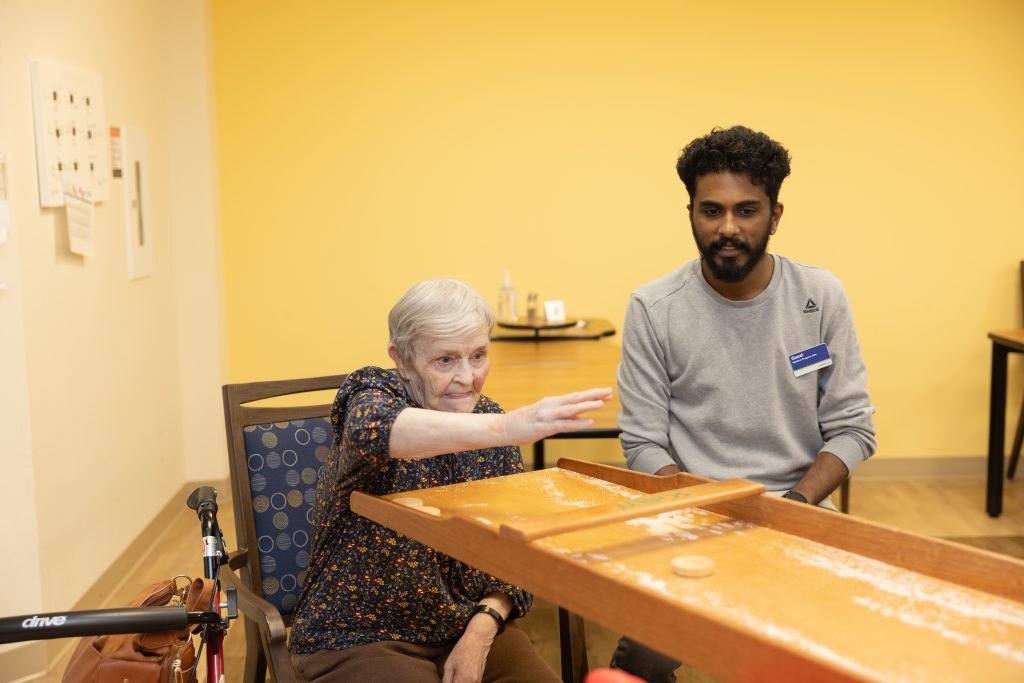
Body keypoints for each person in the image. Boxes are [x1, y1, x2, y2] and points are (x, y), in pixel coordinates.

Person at [611, 126, 877, 682]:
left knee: (833, 654)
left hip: (798, 508)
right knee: (643, 658)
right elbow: (642, 441)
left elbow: (853, 429)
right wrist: (696, 509)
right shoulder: (654, 307)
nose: (727, 228)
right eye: (711, 210)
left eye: (746, 211)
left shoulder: (820, 296)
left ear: (775, 215)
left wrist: (792, 506)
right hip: (688, 511)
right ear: (690, 213)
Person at [289, 278, 612, 683]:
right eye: (445, 360)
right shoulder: (373, 391)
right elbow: (373, 430)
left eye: (478, 355)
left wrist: (482, 629)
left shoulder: (490, 418)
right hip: (359, 635)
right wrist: (505, 429)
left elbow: (513, 558)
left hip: (465, 625)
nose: (467, 377)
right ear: (401, 358)